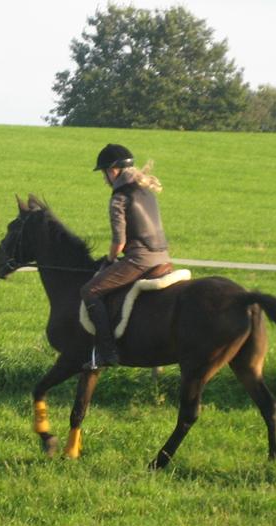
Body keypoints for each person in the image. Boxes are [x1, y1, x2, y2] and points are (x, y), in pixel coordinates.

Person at [81, 143, 171, 370]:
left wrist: (111, 259)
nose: (104, 179)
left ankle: (106, 351)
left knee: (90, 291)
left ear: (113, 170)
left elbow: (119, 242)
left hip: (140, 259)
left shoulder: (119, 197)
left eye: (104, 173)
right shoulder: (145, 191)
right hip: (163, 257)